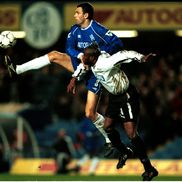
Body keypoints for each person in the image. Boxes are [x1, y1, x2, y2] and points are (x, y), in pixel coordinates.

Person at [4, 2, 124, 156]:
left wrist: (100, 55)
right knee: (54, 55)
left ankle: (109, 139)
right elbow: (69, 48)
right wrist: (80, 55)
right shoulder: (74, 30)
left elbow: (117, 44)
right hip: (81, 65)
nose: (74, 15)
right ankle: (17, 69)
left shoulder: (98, 29)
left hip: (96, 72)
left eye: (77, 12)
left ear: (86, 15)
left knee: (89, 113)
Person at [67, 43, 158, 181]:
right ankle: (125, 151)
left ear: (93, 57)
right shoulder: (91, 62)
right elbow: (82, 66)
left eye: (86, 55)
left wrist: (141, 58)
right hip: (114, 97)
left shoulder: (106, 62)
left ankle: (149, 169)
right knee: (107, 127)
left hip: (127, 95)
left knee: (132, 135)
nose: (83, 58)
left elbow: (125, 54)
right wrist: (74, 78)